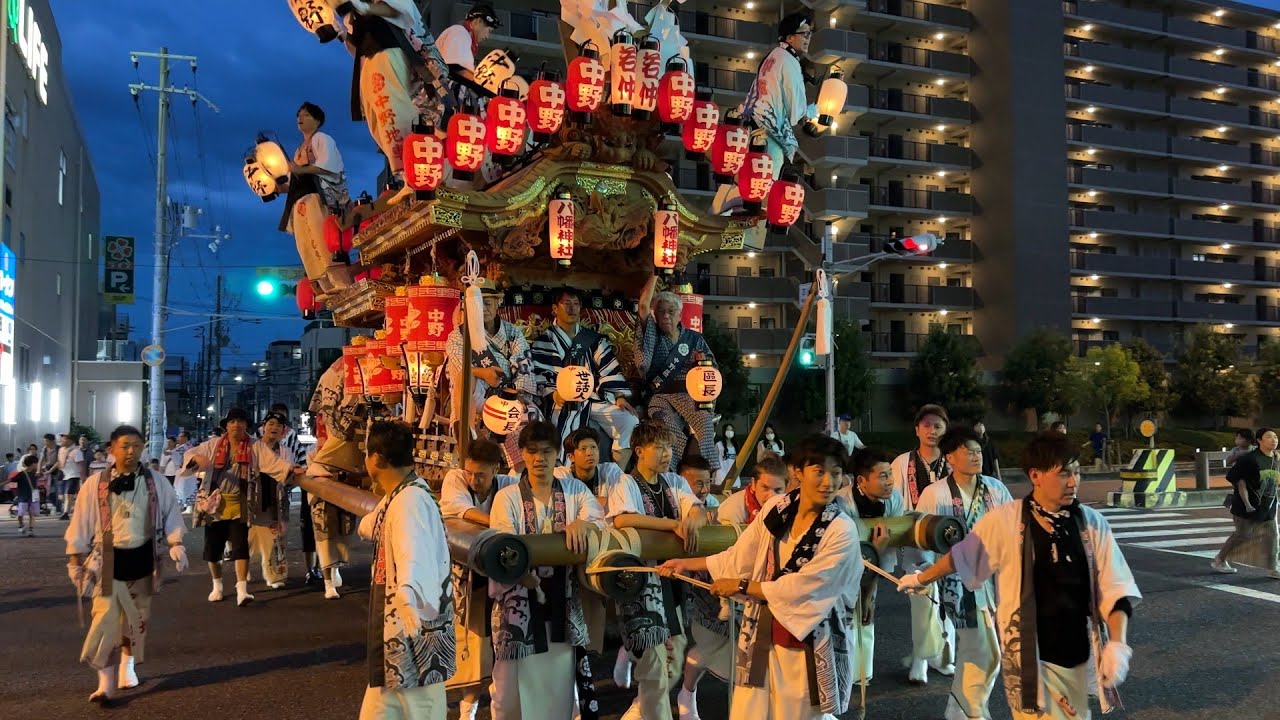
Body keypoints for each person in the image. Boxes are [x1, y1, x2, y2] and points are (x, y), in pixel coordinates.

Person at [900, 432, 1141, 720]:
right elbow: (963, 554)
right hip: (1027, 654)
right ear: (1035, 475)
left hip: (1076, 652)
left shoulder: (1092, 523)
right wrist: (921, 578)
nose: (1074, 482)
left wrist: (1118, 642)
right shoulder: (1008, 520)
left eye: (1076, 472)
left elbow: (1115, 587)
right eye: (1064, 474)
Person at [657, 434, 860, 720]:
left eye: (836, 473)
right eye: (819, 472)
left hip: (807, 639)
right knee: (751, 709)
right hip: (763, 630)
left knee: (798, 711)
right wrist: (686, 563)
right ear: (798, 473)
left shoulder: (841, 529)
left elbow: (806, 586)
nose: (828, 482)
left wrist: (742, 586)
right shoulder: (777, 509)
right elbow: (741, 557)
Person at [488, 421, 605, 719]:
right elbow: (502, 543)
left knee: (559, 686)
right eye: (533, 452)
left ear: (557, 455)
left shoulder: (576, 490)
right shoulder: (507, 497)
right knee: (508, 694)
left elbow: (598, 518)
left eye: (547, 451)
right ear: (523, 455)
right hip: (519, 605)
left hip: (562, 603)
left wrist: (584, 523)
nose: (540, 458)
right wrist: (523, 574)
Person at [65, 425, 187, 706]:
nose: (130, 451)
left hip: (144, 558)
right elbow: (80, 523)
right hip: (107, 560)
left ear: (143, 448)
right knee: (105, 620)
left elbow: (172, 515)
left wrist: (176, 543)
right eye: (124, 446)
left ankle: (127, 666)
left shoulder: (157, 481)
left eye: (136, 445)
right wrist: (74, 560)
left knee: (135, 620)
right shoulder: (94, 484)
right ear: (112, 449)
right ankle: (105, 686)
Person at [609, 421, 709, 720]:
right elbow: (623, 520)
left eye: (669, 447)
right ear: (639, 451)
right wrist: (673, 524)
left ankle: (641, 709)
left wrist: (692, 516)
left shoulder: (675, 482)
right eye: (659, 447)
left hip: (673, 584)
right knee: (653, 669)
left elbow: (697, 508)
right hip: (639, 585)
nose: (667, 453)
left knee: (673, 660)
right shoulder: (626, 483)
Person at [357, 420, 456, 720]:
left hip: (410, 628)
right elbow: (367, 525)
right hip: (396, 632)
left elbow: (413, 556)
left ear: (376, 459)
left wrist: (409, 596)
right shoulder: (403, 494)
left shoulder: (408, 500)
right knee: (386, 708)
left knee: (419, 708)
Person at [915, 427, 1015, 720]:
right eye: (968, 451)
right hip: (955, 583)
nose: (976, 456)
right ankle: (971, 713)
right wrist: (924, 575)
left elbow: (1013, 529)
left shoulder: (995, 489)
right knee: (984, 653)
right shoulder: (935, 493)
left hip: (992, 581)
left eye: (978, 450)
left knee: (980, 653)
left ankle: (959, 710)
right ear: (950, 457)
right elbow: (921, 537)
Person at [186, 408, 298, 606]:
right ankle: (217, 585)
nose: (236, 425)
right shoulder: (213, 445)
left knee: (240, 547)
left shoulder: (255, 446)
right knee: (213, 550)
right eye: (232, 421)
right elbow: (191, 454)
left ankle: (242, 590)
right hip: (215, 504)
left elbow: (273, 463)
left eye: (240, 421)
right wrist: (195, 460)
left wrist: (291, 470)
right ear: (226, 425)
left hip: (240, 502)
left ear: (247, 425)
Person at [438, 438, 516, 720]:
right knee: (469, 643)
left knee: (497, 644)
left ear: (496, 469)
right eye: (469, 472)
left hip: (498, 575)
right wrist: (501, 522)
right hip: (461, 577)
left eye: (481, 474)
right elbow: (461, 510)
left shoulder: (508, 484)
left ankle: (490, 704)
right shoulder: (455, 478)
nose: (473, 480)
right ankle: (466, 707)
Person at [531, 287, 639, 468]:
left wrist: (618, 397)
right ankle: (565, 474)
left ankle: (615, 472)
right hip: (561, 400)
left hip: (592, 398)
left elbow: (608, 369)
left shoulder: (592, 339)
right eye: (567, 304)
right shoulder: (546, 340)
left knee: (629, 420)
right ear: (555, 309)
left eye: (576, 304)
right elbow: (542, 374)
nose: (572, 308)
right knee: (562, 425)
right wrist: (554, 394)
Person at [445, 280, 540, 471]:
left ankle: (521, 473)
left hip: (506, 394)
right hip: (475, 397)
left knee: (529, 420)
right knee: (466, 379)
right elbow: (457, 370)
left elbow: (523, 363)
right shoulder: (458, 335)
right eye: (478, 304)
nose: (484, 309)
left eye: (488, 303)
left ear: (498, 304)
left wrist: (517, 393)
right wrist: (483, 373)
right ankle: (466, 430)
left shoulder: (513, 332)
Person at [891, 403, 954, 684]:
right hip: (915, 540)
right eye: (926, 425)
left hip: (951, 539)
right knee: (923, 598)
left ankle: (943, 656)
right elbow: (893, 502)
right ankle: (920, 658)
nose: (932, 430)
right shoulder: (902, 463)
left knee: (950, 601)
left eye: (938, 425)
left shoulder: (955, 461)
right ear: (917, 430)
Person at [637, 276, 720, 473]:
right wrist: (656, 272)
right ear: (655, 315)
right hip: (661, 395)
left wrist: (702, 361)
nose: (666, 316)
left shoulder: (694, 339)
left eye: (671, 312)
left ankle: (710, 474)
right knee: (671, 433)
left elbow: (711, 368)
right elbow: (642, 305)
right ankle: (672, 477)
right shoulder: (652, 334)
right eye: (661, 311)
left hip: (689, 394)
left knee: (705, 423)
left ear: (680, 314)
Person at [840, 447, 904, 686]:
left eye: (890, 474)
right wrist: (874, 548)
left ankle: (862, 673)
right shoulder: (842, 503)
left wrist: (869, 588)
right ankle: (843, 670)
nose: (890, 482)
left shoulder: (894, 499)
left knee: (867, 613)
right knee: (845, 617)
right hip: (844, 568)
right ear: (861, 481)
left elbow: (891, 538)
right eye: (883, 476)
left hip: (875, 563)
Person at [283, 101, 352, 296]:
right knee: (305, 244)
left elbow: (328, 166)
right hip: (300, 199)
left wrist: (299, 169)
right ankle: (324, 285)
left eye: (305, 115)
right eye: (299, 115)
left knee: (323, 239)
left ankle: (340, 281)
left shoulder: (322, 138)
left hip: (317, 196)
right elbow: (293, 180)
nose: (300, 118)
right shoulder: (299, 149)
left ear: (317, 120)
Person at [1212, 427, 1280, 577]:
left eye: (1275, 437)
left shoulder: (1276, 458)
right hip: (1246, 506)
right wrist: (1247, 502)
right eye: (1269, 437)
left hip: (1269, 505)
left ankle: (1273, 567)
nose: (1274, 440)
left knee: (1273, 535)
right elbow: (1236, 478)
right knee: (1243, 535)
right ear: (1259, 441)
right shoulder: (1249, 459)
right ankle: (1219, 559)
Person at [251, 412, 295, 589]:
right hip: (254, 497)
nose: (274, 427)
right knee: (249, 538)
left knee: (275, 536)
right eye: (271, 423)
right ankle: (243, 565)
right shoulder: (253, 446)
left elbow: (289, 476)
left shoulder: (285, 451)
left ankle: (275, 575)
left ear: (284, 431)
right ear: (263, 426)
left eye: (279, 425)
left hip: (276, 499)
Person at [554, 426, 625, 510]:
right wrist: (602, 501)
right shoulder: (561, 475)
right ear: (571, 457)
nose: (589, 453)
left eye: (593, 447)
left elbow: (624, 501)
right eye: (583, 449)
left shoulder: (611, 470)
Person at [717, 456, 788, 526]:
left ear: (786, 488)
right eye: (765, 488)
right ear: (753, 484)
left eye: (778, 490)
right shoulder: (732, 510)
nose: (771, 496)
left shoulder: (791, 509)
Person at [58, 432, 85, 521]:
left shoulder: (76, 451)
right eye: (61, 439)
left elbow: (81, 465)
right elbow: (59, 462)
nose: (62, 440)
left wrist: (82, 478)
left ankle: (66, 513)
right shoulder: (61, 450)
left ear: (70, 440)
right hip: (63, 475)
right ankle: (74, 507)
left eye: (64, 439)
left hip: (73, 475)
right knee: (61, 497)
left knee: (68, 495)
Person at [13, 454, 39, 536]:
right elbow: (11, 480)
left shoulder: (35, 473)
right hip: (23, 496)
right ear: (32, 464)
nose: (37, 465)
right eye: (36, 463)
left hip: (33, 496)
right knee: (20, 514)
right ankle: (21, 525)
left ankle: (31, 529)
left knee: (31, 513)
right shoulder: (21, 474)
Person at [38, 433, 61, 513]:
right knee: (49, 492)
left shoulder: (59, 449)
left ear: (52, 441)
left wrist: (50, 470)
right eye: (44, 441)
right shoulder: (44, 449)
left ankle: (58, 509)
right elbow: (41, 460)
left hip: (57, 471)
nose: (45, 443)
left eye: (47, 441)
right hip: (48, 471)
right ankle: (55, 505)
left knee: (57, 490)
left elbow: (59, 462)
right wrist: (38, 470)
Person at [713, 423, 739, 491]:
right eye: (728, 429)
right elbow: (715, 463)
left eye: (731, 430)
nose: (730, 431)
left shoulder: (736, 446)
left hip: (734, 479)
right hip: (721, 477)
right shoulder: (719, 445)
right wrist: (713, 478)